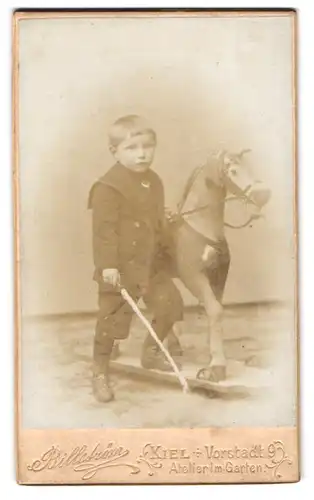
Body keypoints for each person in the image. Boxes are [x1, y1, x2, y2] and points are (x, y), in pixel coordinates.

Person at [88, 114, 183, 403]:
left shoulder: (154, 181)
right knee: (110, 321)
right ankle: (100, 371)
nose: (142, 154)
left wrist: (166, 219)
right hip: (120, 267)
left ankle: (152, 353)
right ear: (114, 151)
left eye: (148, 146)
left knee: (171, 304)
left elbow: (152, 223)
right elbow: (104, 231)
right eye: (132, 148)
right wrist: (108, 266)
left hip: (150, 264)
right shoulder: (107, 187)